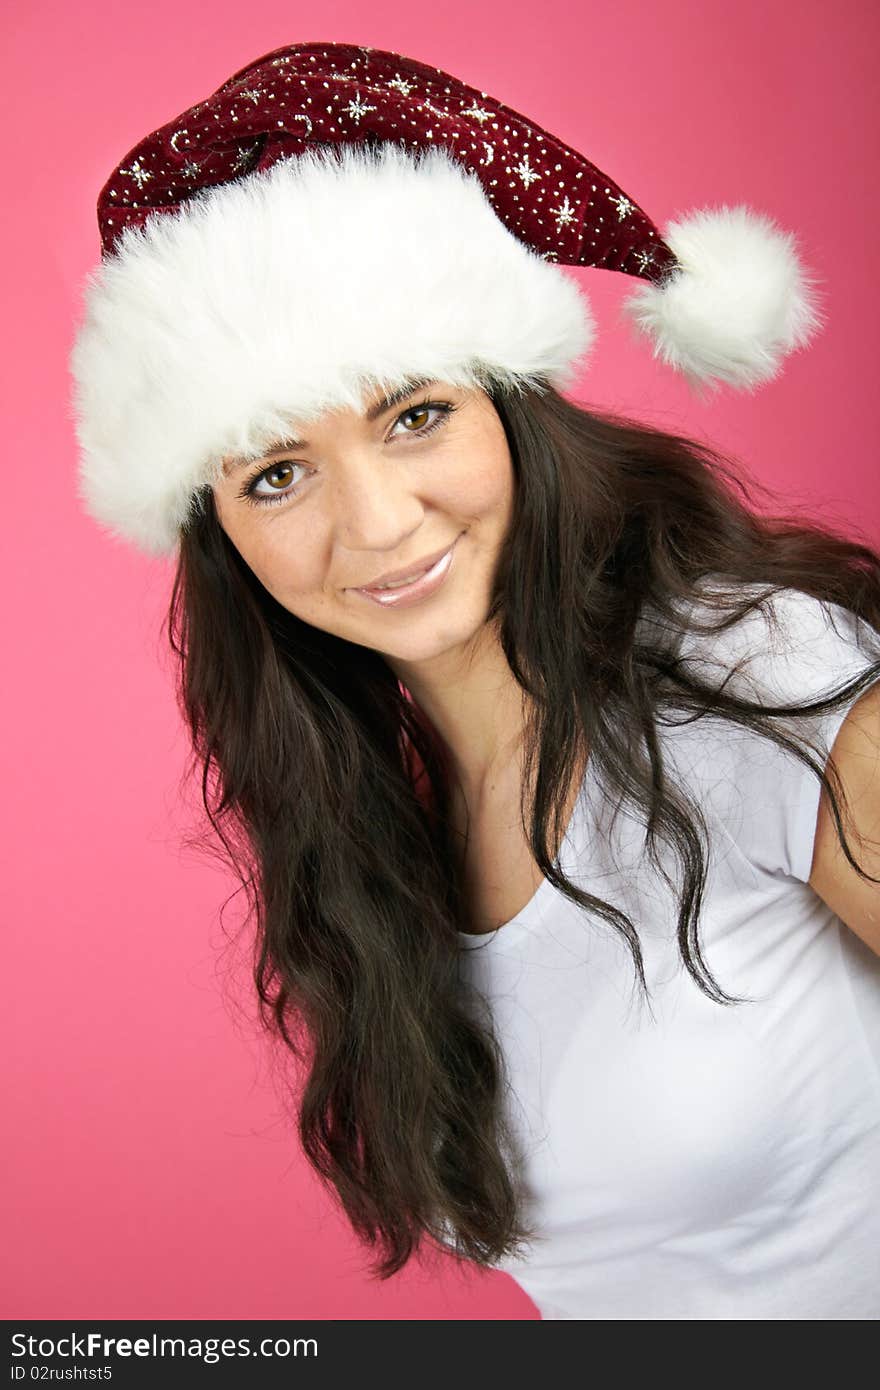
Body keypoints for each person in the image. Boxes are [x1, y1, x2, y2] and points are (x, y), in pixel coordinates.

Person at [69, 42, 880, 1320]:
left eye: (414, 415)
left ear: (513, 407)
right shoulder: (373, 834)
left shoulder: (761, 679)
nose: (380, 523)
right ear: (217, 531)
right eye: (275, 473)